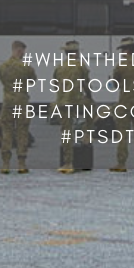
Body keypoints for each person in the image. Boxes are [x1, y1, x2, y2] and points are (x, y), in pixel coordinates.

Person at [0, 40, 37, 174]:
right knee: (22, 131)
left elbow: (2, 80)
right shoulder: (26, 67)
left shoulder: (3, 66)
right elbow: (32, 80)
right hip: (21, 102)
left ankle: (5, 164)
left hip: (8, 102)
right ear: (19, 51)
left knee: (7, 131)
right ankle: (21, 163)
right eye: (23, 51)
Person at [110, 37, 134, 172]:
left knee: (123, 135)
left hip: (124, 103)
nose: (121, 52)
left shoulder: (120, 65)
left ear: (126, 50)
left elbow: (115, 84)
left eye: (122, 49)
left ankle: (121, 164)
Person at [52, 40, 90, 174]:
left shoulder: (60, 66)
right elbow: (86, 84)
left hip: (62, 102)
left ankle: (68, 163)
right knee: (90, 115)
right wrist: (89, 96)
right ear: (76, 53)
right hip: (77, 101)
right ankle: (86, 137)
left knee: (66, 131)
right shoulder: (81, 66)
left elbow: (55, 83)